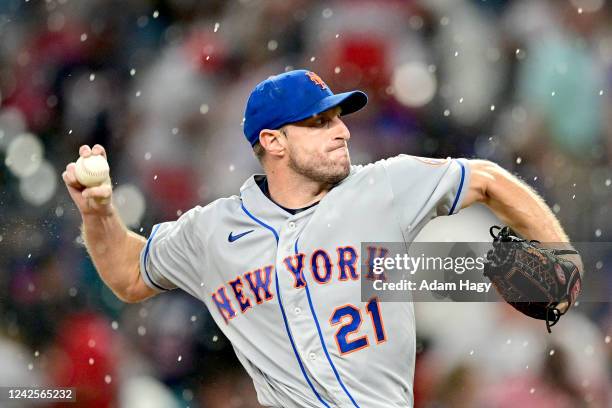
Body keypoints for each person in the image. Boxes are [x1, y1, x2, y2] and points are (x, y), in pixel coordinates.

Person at [62, 69, 578, 407]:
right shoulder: (211, 231)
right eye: (320, 121)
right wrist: (100, 213)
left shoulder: (383, 187)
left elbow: (486, 178)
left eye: (338, 118)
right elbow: (129, 275)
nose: (342, 131)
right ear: (273, 141)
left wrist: (559, 254)